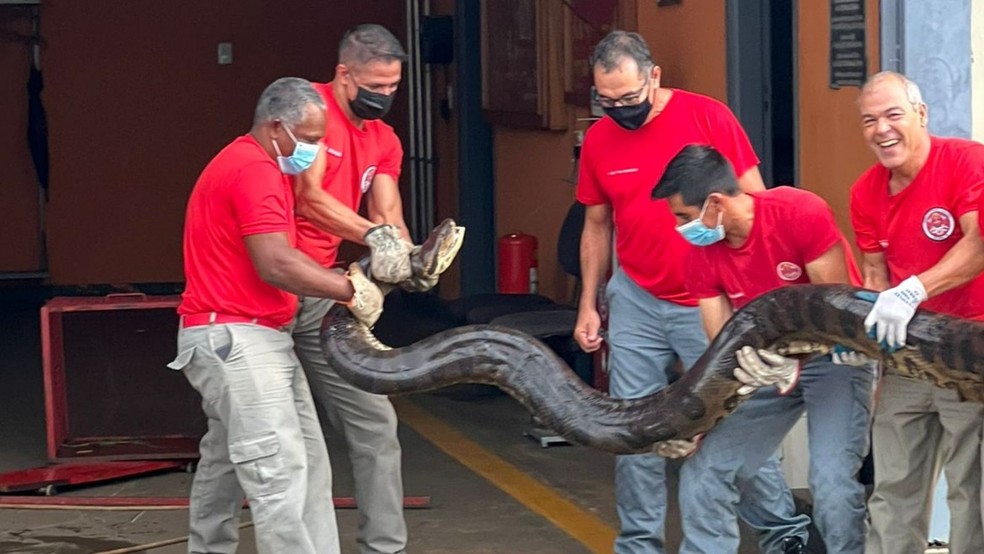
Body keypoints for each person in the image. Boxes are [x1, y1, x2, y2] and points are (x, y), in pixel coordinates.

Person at [573, 30, 807, 553]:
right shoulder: (600, 140)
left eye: (629, 98)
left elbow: (757, 203)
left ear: (654, 77)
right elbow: (596, 224)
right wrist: (590, 303)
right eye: (607, 101)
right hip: (635, 296)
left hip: (710, 299)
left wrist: (755, 297)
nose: (620, 110)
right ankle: (639, 543)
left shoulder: (708, 117)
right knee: (634, 426)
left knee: (732, 421)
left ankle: (782, 531)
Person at [168, 77, 384, 554]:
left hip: (246, 336)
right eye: (307, 140)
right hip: (240, 340)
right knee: (281, 474)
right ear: (275, 127)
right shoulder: (255, 171)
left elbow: (283, 254)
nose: (314, 151)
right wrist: (351, 291)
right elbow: (277, 263)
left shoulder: (251, 164)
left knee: (243, 463)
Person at [652, 144, 875, 553]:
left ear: (715, 203)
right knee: (705, 472)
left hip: (835, 358)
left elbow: (836, 312)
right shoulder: (701, 254)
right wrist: (694, 423)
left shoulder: (800, 212)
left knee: (831, 480)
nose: (681, 227)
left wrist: (794, 361)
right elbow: (722, 349)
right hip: (764, 367)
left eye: (684, 216)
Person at [290, 24, 421, 554]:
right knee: (255, 436)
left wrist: (410, 256)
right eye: (375, 86)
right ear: (344, 75)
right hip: (270, 287)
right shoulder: (310, 112)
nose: (385, 96)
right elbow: (308, 198)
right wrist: (375, 237)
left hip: (325, 292)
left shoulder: (383, 139)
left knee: (375, 422)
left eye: (393, 87)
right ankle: (211, 543)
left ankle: (384, 548)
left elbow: (387, 213)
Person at [849, 70, 984, 554]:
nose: (881, 129)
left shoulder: (966, 161)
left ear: (921, 114)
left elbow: (978, 244)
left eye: (893, 115)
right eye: (869, 120)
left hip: (971, 349)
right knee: (894, 488)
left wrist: (913, 291)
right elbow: (874, 273)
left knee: (972, 490)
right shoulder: (865, 192)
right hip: (907, 358)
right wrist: (864, 340)